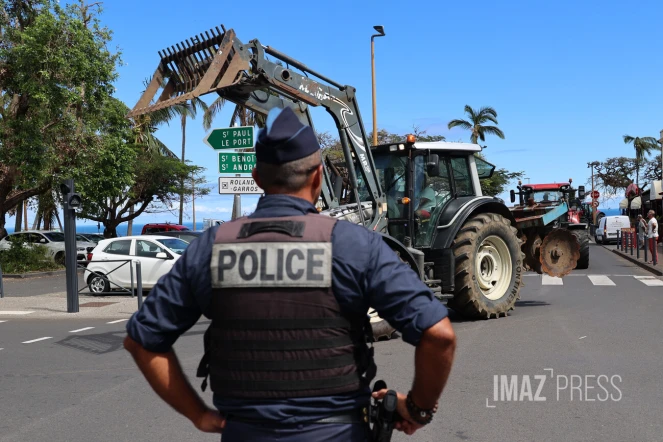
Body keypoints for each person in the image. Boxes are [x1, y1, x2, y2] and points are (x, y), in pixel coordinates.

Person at [123, 106, 457, 442]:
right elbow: (439, 335)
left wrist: (198, 415)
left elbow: (142, 340)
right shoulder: (356, 245)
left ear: (257, 179)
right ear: (318, 176)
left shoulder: (210, 247)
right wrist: (418, 409)